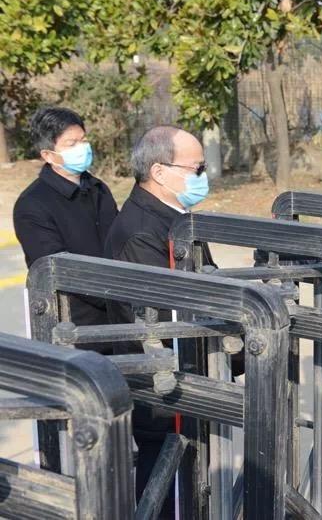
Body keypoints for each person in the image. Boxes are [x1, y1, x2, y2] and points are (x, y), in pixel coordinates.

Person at [105, 125, 211, 519]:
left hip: (183, 374)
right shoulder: (142, 231)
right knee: (164, 489)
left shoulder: (174, 216)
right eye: (196, 168)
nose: (203, 177)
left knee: (189, 485)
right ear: (160, 172)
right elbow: (168, 315)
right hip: (161, 385)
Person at [13, 107, 118, 334]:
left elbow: (119, 241)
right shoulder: (32, 204)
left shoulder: (98, 189)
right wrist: (113, 294)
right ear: (48, 155)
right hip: (73, 326)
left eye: (84, 140)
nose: (82, 148)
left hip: (120, 314)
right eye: (71, 144)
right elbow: (57, 269)